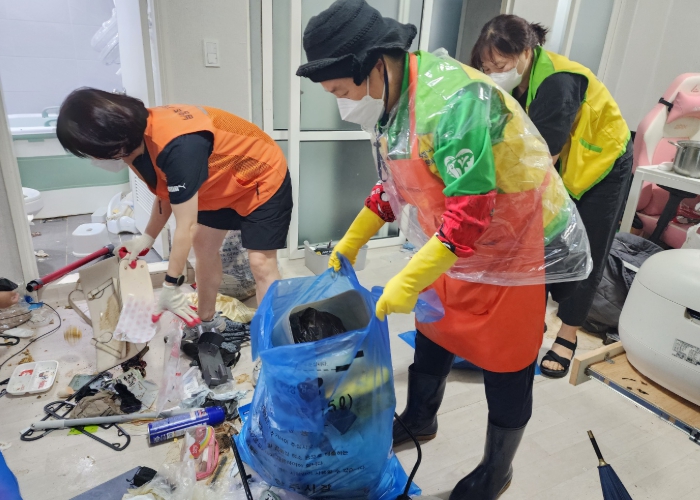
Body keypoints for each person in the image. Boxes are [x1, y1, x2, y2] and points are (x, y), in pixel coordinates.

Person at [296, 1, 589, 498]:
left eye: (342, 91)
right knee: (434, 331)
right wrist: (353, 238)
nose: (343, 105)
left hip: (511, 246)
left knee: (507, 363)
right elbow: (394, 184)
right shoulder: (394, 103)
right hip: (449, 244)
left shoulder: (455, 103)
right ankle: (420, 418)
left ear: (374, 65)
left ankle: (497, 469)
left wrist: (407, 279)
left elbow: (471, 216)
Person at [471, 15, 632, 378]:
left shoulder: (558, 82)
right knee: (539, 244)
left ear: (526, 52)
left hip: (601, 166)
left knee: (585, 250)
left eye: (500, 65)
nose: (493, 73)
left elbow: (541, 159)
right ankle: (533, 320)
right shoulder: (516, 84)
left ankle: (568, 335)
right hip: (557, 165)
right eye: (487, 67)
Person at [57, 89, 291, 338]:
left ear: (111, 140)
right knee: (204, 246)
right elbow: (167, 189)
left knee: (261, 263)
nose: (93, 158)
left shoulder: (179, 145)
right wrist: (148, 237)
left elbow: (186, 226)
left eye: (92, 151)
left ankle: (271, 342)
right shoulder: (133, 143)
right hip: (217, 182)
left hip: (259, 174)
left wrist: (170, 285)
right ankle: (206, 322)